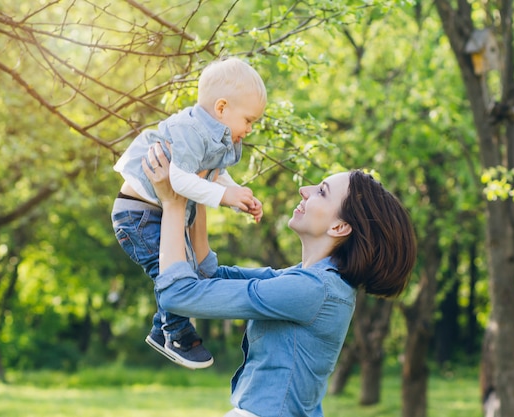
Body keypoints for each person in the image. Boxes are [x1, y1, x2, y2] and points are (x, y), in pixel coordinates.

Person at [144, 143, 417, 417]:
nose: (304, 191)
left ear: (339, 227)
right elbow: (209, 276)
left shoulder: (311, 290)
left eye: (321, 192)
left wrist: (172, 203)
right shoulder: (306, 281)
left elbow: (177, 295)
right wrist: (195, 190)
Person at [111, 57, 267, 369]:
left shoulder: (215, 136)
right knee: (172, 272)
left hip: (160, 212)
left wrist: (238, 192)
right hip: (139, 215)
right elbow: (180, 179)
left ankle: (161, 327)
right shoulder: (191, 131)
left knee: (190, 269)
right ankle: (176, 331)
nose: (249, 129)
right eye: (248, 120)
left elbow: (211, 174)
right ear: (221, 108)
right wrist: (225, 196)